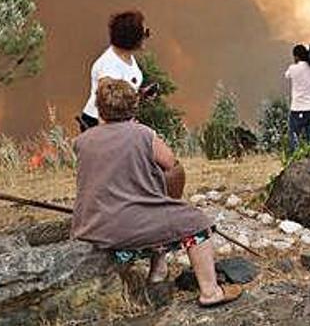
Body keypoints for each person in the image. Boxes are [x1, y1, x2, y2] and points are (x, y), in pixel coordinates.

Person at [71, 78, 241, 307]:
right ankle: (211, 292)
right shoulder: (143, 134)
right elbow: (171, 164)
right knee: (197, 223)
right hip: (129, 229)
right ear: (133, 107)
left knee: (155, 214)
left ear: (99, 109)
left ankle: (157, 272)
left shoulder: (82, 141)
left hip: (90, 227)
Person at [78, 10, 154, 132]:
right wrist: (111, 132)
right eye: (145, 33)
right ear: (132, 37)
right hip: (100, 123)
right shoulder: (109, 68)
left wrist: (140, 93)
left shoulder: (125, 56)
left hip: (118, 122)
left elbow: (122, 90)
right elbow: (104, 102)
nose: (148, 36)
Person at [284, 43, 310, 151]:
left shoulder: (293, 68)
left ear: (296, 56)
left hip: (298, 109)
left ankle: (294, 161)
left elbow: (287, 75)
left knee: (294, 137)